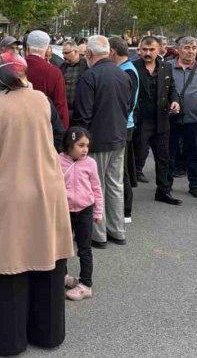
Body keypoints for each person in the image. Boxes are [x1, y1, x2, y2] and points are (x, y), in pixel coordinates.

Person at [0, 52, 74, 356]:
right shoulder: (42, 101)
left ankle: (9, 341)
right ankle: (48, 333)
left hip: (7, 194)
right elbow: (59, 136)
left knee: (9, 265)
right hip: (46, 188)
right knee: (48, 258)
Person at [73, 36, 132, 247]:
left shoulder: (89, 76)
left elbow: (83, 114)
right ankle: (117, 230)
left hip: (96, 140)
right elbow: (128, 107)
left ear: (89, 53)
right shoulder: (123, 74)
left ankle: (98, 234)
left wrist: (79, 143)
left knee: (94, 187)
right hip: (118, 137)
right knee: (115, 185)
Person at [133, 36, 182, 205]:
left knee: (163, 158)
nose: (147, 53)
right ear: (140, 49)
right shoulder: (133, 67)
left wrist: (175, 101)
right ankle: (124, 194)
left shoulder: (166, 67)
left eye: (151, 49)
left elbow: (172, 88)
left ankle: (164, 191)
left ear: (159, 49)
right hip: (141, 121)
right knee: (136, 157)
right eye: (144, 49)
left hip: (161, 120)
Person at [168, 37, 197, 198]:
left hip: (194, 118)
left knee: (194, 153)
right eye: (187, 47)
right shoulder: (168, 66)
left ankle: (195, 185)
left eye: (194, 48)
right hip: (171, 118)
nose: (191, 51)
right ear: (178, 49)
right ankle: (166, 184)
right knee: (169, 152)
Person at [60, 127, 103, 301]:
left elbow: (96, 188)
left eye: (87, 145)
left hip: (85, 210)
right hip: (64, 210)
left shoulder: (90, 163)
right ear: (69, 145)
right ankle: (62, 276)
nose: (85, 149)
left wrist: (98, 210)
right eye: (81, 145)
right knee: (61, 246)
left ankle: (86, 284)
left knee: (84, 248)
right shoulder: (58, 161)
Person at [110, 37, 139, 223]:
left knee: (122, 170)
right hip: (124, 124)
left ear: (112, 52)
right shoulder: (125, 69)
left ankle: (126, 210)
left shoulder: (127, 72)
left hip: (123, 126)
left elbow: (128, 103)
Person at [25, 30, 70, 129]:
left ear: (27, 46)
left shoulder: (17, 68)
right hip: (45, 128)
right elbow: (60, 106)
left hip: (18, 126)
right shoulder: (54, 72)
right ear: (47, 48)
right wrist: (62, 132)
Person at [60, 40, 89, 114]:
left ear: (76, 52)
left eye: (67, 53)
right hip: (65, 109)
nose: (64, 56)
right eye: (63, 53)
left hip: (80, 110)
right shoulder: (62, 67)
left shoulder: (86, 66)